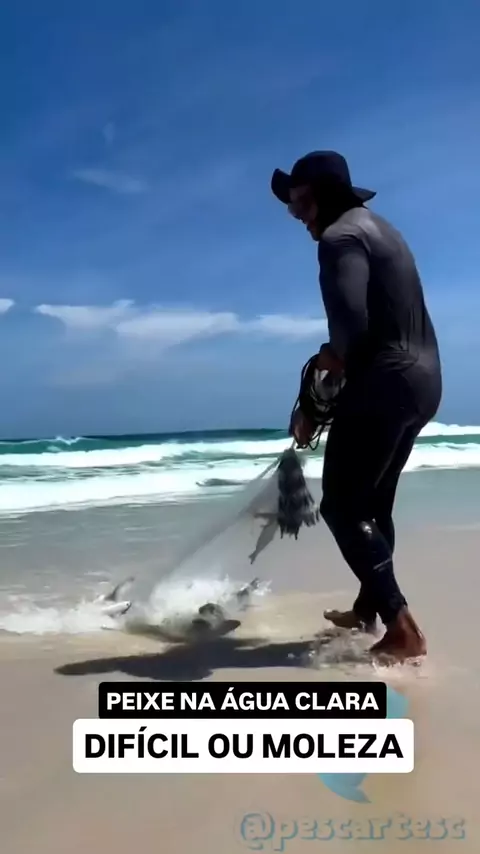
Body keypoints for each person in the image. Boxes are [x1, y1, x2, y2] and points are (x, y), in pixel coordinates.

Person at [270, 150, 442, 663]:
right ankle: (368, 610)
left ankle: (402, 627)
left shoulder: (340, 238)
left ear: (325, 197)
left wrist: (313, 396)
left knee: (342, 506)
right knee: (374, 503)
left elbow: (348, 333)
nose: (296, 215)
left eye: (301, 203)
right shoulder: (382, 229)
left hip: (385, 381)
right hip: (423, 382)